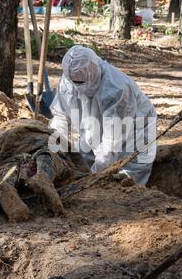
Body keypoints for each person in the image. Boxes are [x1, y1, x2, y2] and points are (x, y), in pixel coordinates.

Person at [49, 45, 157, 185]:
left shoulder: (116, 88)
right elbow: (60, 116)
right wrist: (57, 148)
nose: (77, 86)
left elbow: (112, 141)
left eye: (80, 82)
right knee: (82, 160)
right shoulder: (68, 80)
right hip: (95, 128)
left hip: (134, 132)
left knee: (127, 180)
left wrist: (96, 175)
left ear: (93, 70)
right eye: (73, 82)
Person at [0, 118, 83, 222]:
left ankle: (2, 180)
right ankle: (43, 174)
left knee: (8, 165)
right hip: (34, 135)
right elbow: (75, 159)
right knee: (49, 154)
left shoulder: (0, 130)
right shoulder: (40, 127)